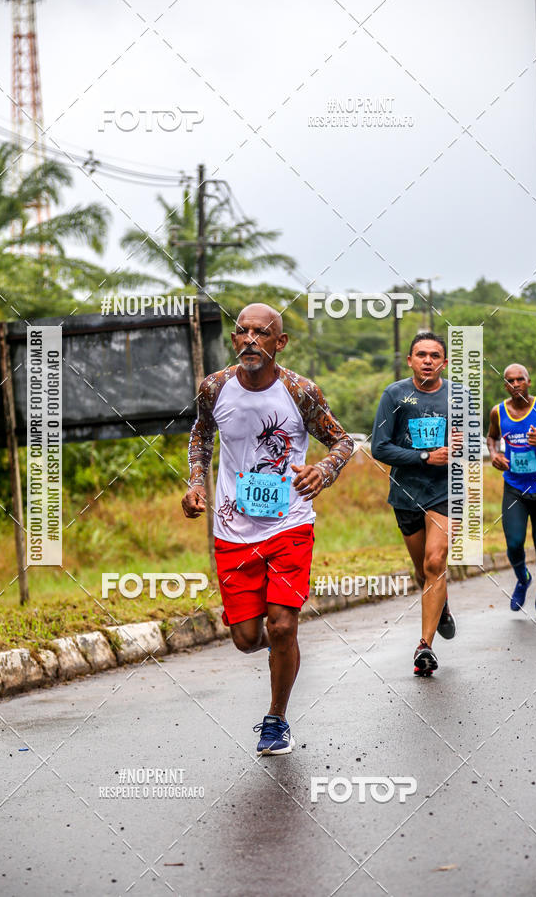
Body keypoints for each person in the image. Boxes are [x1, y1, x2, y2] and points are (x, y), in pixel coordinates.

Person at [182, 303, 353, 755]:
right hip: (232, 530)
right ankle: (284, 652)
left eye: (262, 332)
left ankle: (276, 719)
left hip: (289, 524)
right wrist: (196, 483)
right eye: (243, 331)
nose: (250, 339)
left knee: (281, 626)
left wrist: (325, 471)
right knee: (245, 640)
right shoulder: (214, 387)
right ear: (234, 339)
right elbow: (200, 435)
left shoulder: (300, 391)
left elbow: (342, 440)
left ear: (280, 343)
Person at [371, 332, 458, 677]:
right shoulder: (395, 394)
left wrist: (457, 446)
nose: (427, 360)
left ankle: (425, 646)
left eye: (434, 355)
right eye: (420, 354)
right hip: (407, 493)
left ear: (444, 362)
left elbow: (468, 441)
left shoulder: (458, 395)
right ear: (409, 360)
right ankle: (442, 603)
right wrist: (425, 456)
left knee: (436, 561)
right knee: (424, 571)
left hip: (445, 491)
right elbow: (380, 448)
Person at [486, 363, 536, 618]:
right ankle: (522, 578)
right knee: (515, 544)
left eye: (520, 380)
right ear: (505, 385)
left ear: (528, 382)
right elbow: (491, 437)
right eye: (510, 381)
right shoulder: (498, 412)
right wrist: (494, 454)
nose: (516, 384)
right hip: (515, 488)